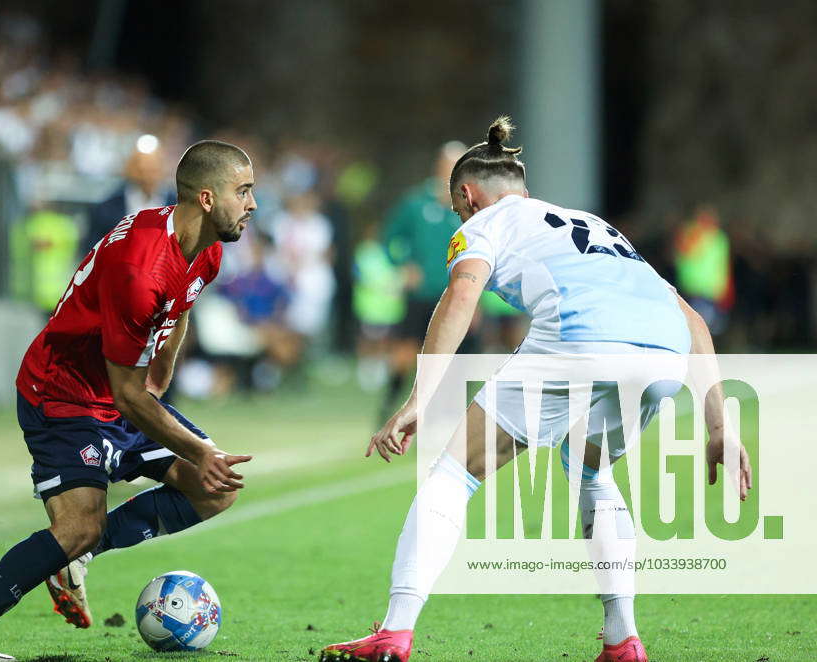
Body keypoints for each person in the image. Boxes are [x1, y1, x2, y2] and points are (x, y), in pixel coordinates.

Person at [319, 118, 753, 662]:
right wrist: (721, 425)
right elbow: (692, 319)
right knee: (591, 470)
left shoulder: (484, 224)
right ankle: (623, 640)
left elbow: (460, 295)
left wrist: (418, 400)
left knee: (455, 472)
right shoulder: (595, 225)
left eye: (458, 209)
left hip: (581, 340)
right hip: (662, 356)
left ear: (468, 196)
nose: (459, 218)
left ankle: (395, 632)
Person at [0, 140, 258, 661]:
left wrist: (165, 359)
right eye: (244, 190)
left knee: (215, 491)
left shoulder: (207, 246)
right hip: (64, 393)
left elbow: (182, 303)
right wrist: (199, 449)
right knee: (78, 525)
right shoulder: (140, 270)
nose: (253, 203)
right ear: (209, 199)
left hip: (115, 392)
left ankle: (76, 557)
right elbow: (127, 396)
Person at [379, 141, 469, 422]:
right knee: (405, 354)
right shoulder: (416, 203)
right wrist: (402, 266)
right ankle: (388, 409)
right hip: (421, 294)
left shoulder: (469, 206)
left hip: (456, 293)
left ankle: (445, 416)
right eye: (448, 164)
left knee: (454, 358)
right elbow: (387, 238)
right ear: (438, 166)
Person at [83, 135, 176, 254]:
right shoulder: (106, 209)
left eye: (152, 165)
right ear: (129, 167)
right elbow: (92, 253)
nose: (146, 170)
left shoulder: (179, 206)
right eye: (140, 165)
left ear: (163, 167)